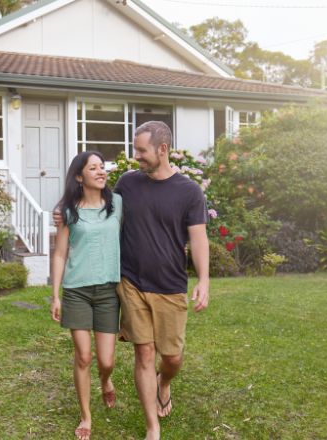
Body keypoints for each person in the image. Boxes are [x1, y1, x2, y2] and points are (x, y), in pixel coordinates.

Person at [54, 121, 210, 440]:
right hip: (131, 283)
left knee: (172, 357)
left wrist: (204, 279)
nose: (135, 156)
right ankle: (152, 427)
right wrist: (63, 211)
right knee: (144, 353)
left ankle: (164, 383)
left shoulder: (189, 191)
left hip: (170, 285)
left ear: (162, 149)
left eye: (141, 150)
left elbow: (198, 239)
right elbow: (94, 204)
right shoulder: (128, 183)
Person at [50, 151, 123, 440]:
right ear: (79, 177)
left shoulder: (117, 204)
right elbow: (59, 254)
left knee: (106, 361)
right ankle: (86, 416)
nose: (101, 171)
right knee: (83, 356)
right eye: (93, 168)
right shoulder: (68, 210)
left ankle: (106, 382)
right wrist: (55, 295)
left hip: (108, 291)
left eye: (102, 167)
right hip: (76, 291)